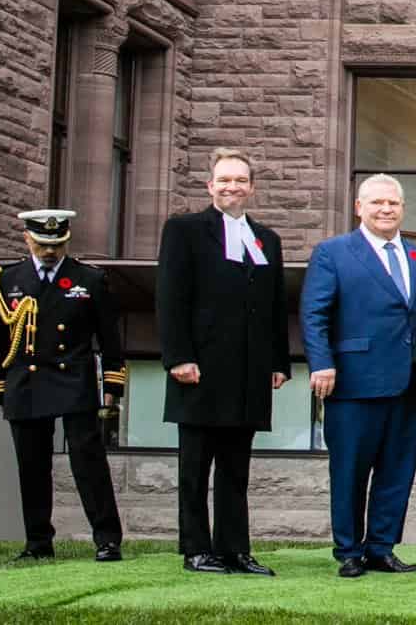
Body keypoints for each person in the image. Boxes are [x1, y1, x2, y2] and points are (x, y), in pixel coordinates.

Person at [302, 173, 416, 579]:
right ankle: (349, 551)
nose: (386, 209)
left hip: (409, 384)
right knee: (350, 471)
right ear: (359, 207)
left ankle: (381, 548)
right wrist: (321, 362)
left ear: (402, 209)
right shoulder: (332, 253)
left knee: (397, 471)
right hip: (353, 382)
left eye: (393, 203)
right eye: (377, 203)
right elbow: (314, 315)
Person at [157, 147, 291, 576]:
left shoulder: (266, 239)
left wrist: (279, 361)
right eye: (224, 179)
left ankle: (234, 548)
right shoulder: (184, 230)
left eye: (240, 180)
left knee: (236, 469)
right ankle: (196, 549)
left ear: (251, 187)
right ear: (209, 185)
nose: (232, 186)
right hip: (199, 369)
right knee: (195, 467)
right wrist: (178, 356)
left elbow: (273, 307)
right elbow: (170, 298)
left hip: (248, 375)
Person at [0, 209, 125, 562]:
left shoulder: (89, 279)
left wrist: (113, 382)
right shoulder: (6, 280)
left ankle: (107, 539)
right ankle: (38, 542)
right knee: (31, 465)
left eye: (57, 244)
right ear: (26, 239)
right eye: (42, 243)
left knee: (89, 462)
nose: (50, 251)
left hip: (73, 378)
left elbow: (110, 337)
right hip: (26, 380)